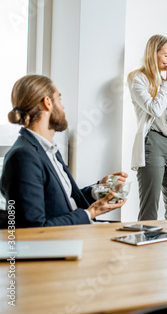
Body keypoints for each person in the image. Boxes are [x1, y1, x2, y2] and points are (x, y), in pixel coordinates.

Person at [0, 75, 128, 228]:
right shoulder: (23, 156)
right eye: (59, 99)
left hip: (81, 233)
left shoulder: (48, 149)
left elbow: (63, 201)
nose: (62, 107)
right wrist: (91, 213)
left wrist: (99, 189)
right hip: (65, 243)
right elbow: (32, 229)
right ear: (47, 103)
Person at [128, 35, 167, 221]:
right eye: (166, 55)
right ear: (152, 53)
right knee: (150, 205)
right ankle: (147, 245)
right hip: (152, 143)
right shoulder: (137, 78)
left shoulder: (164, 82)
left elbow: (165, 117)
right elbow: (154, 109)